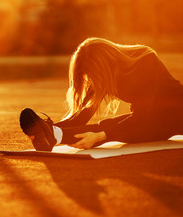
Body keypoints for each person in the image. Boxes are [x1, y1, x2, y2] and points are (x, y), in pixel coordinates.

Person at [20, 37, 183, 151]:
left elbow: (141, 118)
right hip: (150, 119)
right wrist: (49, 127)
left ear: (104, 65)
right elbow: (81, 117)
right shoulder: (102, 75)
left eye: (92, 76)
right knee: (106, 128)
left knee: (107, 128)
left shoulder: (146, 60)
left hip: (177, 116)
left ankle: (56, 136)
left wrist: (100, 136)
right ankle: (54, 135)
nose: (91, 80)